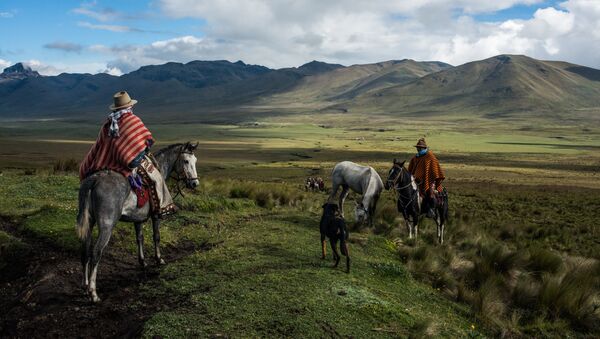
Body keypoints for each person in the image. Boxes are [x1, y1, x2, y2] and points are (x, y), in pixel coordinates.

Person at [79, 91, 177, 217]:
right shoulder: (133, 120)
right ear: (129, 106)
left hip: (106, 161)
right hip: (128, 162)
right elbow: (146, 141)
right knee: (156, 177)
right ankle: (161, 208)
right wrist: (140, 150)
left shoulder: (109, 122)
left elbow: (100, 145)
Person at [407, 138, 445, 218]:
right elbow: (410, 170)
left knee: (430, 192)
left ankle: (431, 209)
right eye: (417, 147)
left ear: (424, 148)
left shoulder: (430, 156)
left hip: (430, 180)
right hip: (416, 180)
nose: (418, 149)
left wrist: (430, 178)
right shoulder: (415, 158)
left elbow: (435, 169)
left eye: (420, 147)